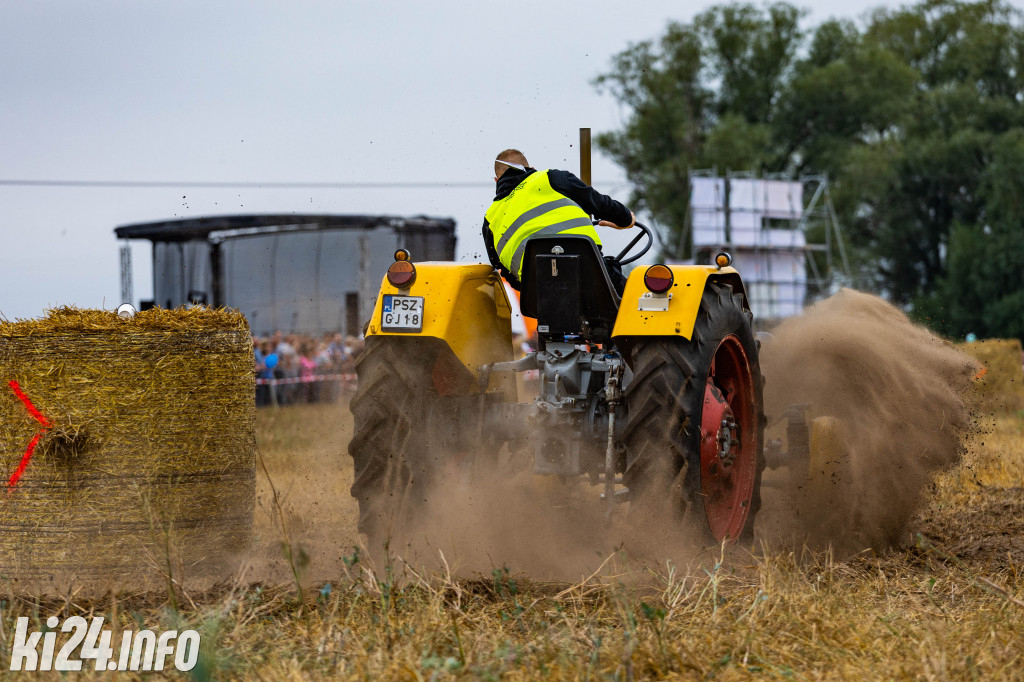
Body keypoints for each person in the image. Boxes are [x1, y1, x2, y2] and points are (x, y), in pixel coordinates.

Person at [482, 149, 636, 292]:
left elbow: (504, 271)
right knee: (634, 300)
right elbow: (601, 205)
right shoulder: (550, 178)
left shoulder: (490, 220)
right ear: (532, 169)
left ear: (497, 180)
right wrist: (626, 219)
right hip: (592, 275)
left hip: (539, 295)